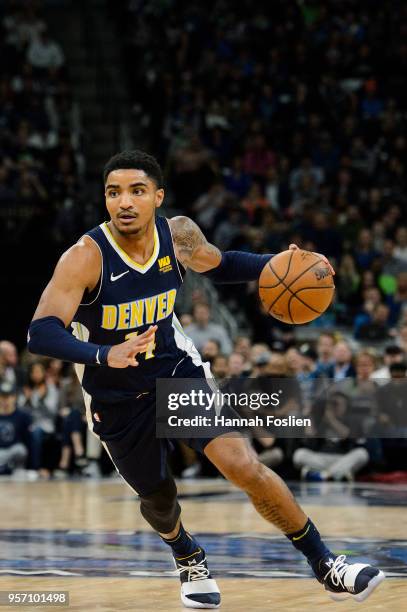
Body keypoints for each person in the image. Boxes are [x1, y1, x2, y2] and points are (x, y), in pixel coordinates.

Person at [27, 150, 384, 607]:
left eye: (137, 191)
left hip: (176, 376)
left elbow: (223, 265)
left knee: (241, 464)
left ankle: (326, 563)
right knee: (159, 501)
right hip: (114, 393)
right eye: (114, 192)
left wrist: (278, 264)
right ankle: (186, 552)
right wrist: (104, 353)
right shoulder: (84, 258)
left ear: (158, 196)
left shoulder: (176, 236)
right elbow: (41, 331)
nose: (125, 202)